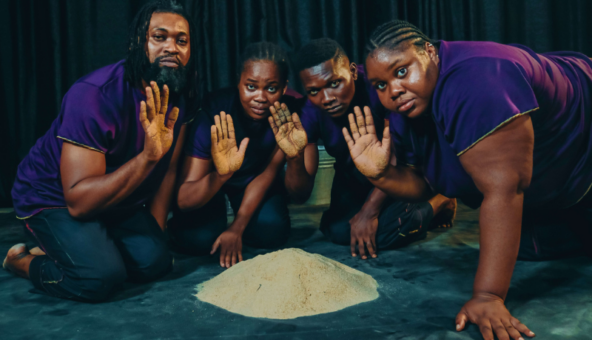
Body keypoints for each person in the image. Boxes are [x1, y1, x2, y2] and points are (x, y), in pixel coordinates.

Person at [343, 19, 592, 340]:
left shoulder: (479, 81)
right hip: (553, 178)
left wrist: (488, 296)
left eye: (401, 71)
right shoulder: (407, 109)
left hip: (584, 140)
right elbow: (422, 185)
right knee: (529, 248)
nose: (393, 90)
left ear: (430, 53)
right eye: (380, 85)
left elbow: (505, 190)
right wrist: (382, 174)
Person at [4, 0, 197, 302]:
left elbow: (168, 169)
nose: (172, 47)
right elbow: (79, 203)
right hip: (53, 196)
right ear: (138, 42)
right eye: (159, 37)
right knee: (97, 278)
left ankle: (74, 247)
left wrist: (155, 237)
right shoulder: (94, 95)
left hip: (115, 196)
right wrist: (147, 158)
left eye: (181, 40)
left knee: (155, 263)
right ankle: (23, 262)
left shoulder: (176, 93)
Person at [268, 38, 456, 260]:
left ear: (353, 71)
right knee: (337, 231)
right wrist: (295, 157)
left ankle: (440, 199)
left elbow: (398, 153)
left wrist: (369, 212)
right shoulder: (309, 112)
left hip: (400, 170)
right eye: (314, 90)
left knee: (385, 232)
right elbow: (300, 195)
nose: (327, 98)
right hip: (353, 178)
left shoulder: (379, 86)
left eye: (334, 83)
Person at [171, 42, 301, 268]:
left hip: (252, 180)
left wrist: (237, 227)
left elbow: (268, 173)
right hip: (213, 180)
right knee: (197, 240)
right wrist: (221, 175)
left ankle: (240, 222)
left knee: (271, 232)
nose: (260, 97)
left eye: (271, 88)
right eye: (251, 86)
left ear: (284, 88)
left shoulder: (287, 116)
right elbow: (183, 199)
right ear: (239, 83)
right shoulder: (213, 113)